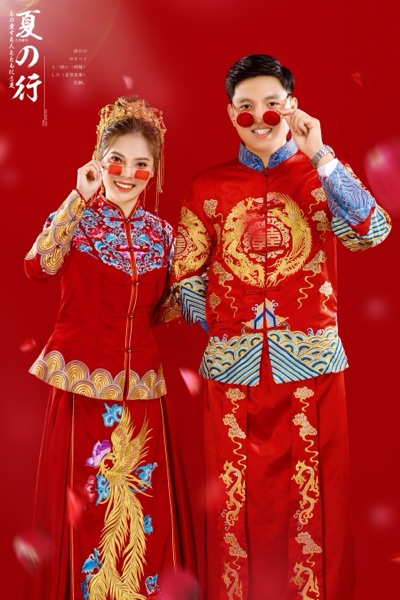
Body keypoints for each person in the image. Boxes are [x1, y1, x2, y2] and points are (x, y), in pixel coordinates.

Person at [170, 54, 392, 600]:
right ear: (230, 114)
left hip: (313, 368)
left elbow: (372, 231)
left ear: (292, 107)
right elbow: (184, 276)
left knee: (318, 506)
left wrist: (321, 155)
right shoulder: (206, 187)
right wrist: (224, 324)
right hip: (233, 372)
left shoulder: (322, 176)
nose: (259, 117)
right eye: (245, 108)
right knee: (235, 508)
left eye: (272, 104)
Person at [23, 95, 197, 599]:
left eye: (142, 164)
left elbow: (165, 309)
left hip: (143, 393)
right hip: (82, 387)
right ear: (98, 161)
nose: (128, 173)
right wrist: (77, 197)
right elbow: (37, 266)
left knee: (144, 514)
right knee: (84, 510)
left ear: (153, 172)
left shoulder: (162, 236)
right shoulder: (77, 220)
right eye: (117, 160)